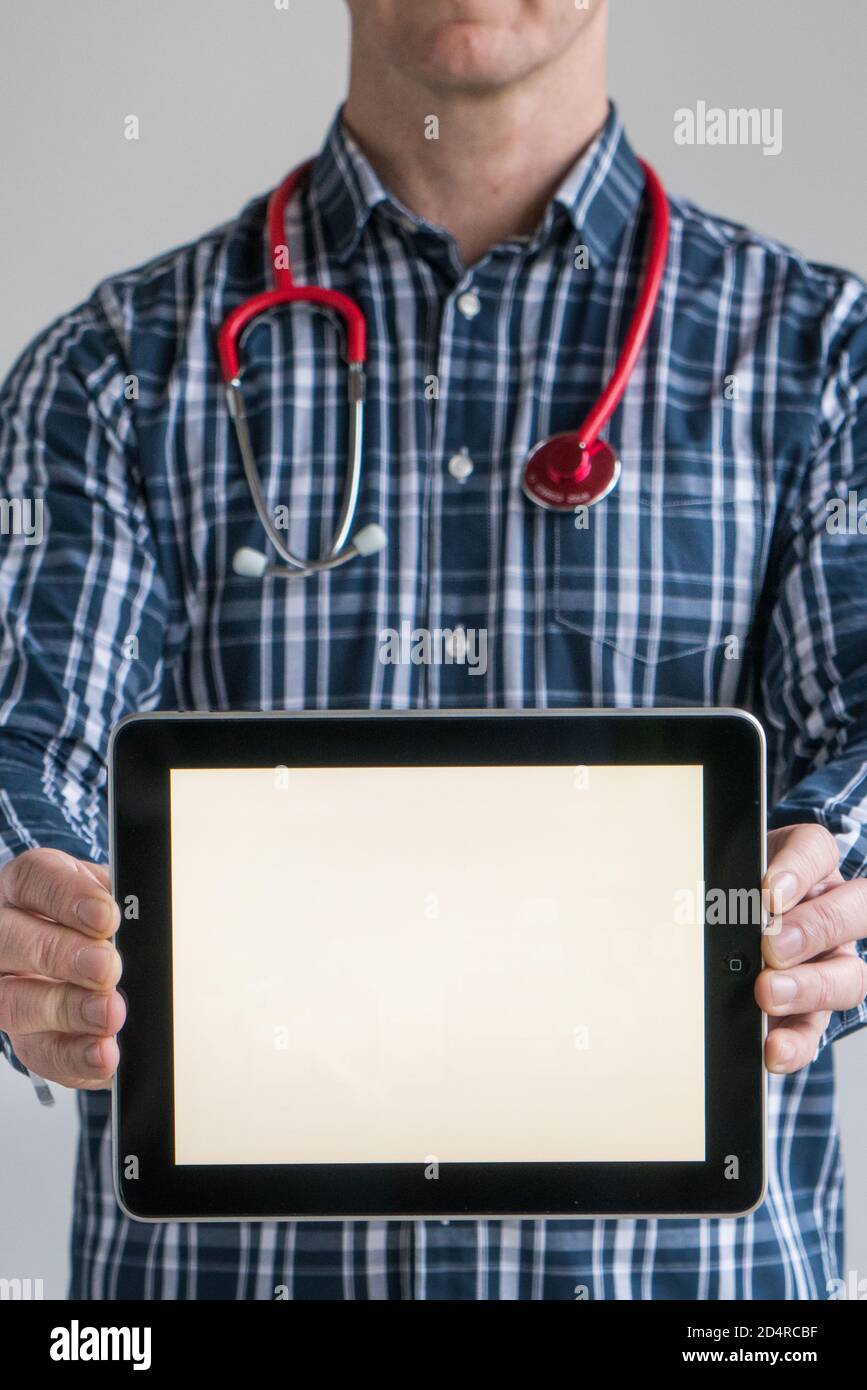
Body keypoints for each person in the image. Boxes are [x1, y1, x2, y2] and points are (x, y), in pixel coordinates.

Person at [1, 0, 866, 1301]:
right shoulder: (111, 374)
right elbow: (28, 753)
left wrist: (828, 897)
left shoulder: (826, 365)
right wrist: (31, 924)